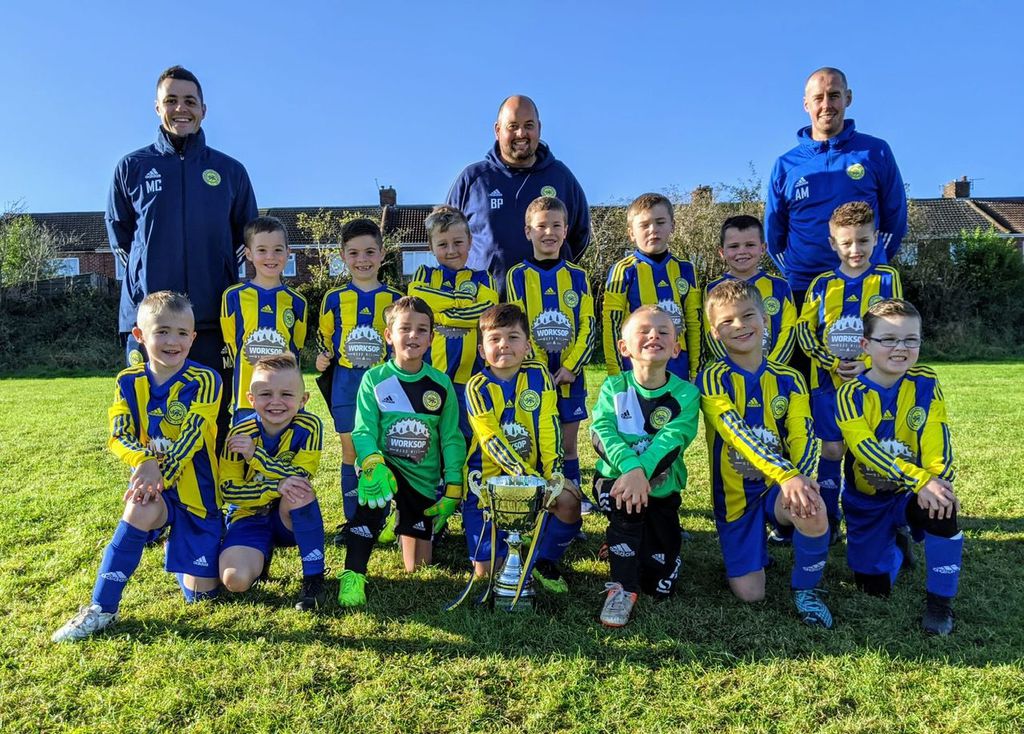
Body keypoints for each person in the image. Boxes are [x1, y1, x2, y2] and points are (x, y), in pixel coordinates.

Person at [52, 292, 222, 642]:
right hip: (154, 489)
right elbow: (119, 435)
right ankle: (102, 608)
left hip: (199, 496)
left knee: (202, 597)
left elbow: (191, 439)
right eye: (162, 331)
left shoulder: (206, 380)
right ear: (139, 335)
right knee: (138, 507)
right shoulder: (127, 381)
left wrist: (158, 473)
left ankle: (179, 546)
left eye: (182, 333)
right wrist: (144, 462)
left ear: (193, 337)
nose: (172, 341)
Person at [106, 65, 257, 443]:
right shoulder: (132, 168)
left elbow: (246, 240)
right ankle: (151, 483)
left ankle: (211, 484)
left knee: (213, 418)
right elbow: (122, 240)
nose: (180, 108)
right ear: (157, 107)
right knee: (146, 420)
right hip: (149, 324)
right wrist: (146, 290)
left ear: (203, 109)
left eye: (189, 101)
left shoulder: (230, 171)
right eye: (171, 100)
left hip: (212, 323)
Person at [699, 280, 833, 628]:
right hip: (734, 496)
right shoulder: (712, 376)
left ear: (765, 320)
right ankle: (753, 546)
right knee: (751, 594)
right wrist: (787, 474)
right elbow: (735, 431)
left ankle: (807, 590)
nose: (740, 326)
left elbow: (803, 434)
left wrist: (800, 478)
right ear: (714, 333)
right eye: (727, 321)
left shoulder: (790, 378)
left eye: (748, 316)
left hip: (779, 488)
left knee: (813, 508)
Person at [836, 299, 962, 635]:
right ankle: (897, 545)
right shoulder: (850, 394)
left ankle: (940, 604)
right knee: (873, 588)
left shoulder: (925, 380)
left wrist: (937, 479)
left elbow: (936, 433)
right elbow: (865, 450)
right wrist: (921, 480)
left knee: (943, 504)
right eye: (889, 339)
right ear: (865, 345)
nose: (900, 348)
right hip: (867, 501)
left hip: (910, 493)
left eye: (910, 339)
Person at [337, 297, 467, 607]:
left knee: (417, 567)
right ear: (388, 335)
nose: (413, 335)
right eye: (405, 328)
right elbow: (364, 431)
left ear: (431, 338)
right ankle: (353, 574)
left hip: (422, 478)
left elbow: (451, 437)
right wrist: (372, 464)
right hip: (385, 467)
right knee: (370, 502)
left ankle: (400, 521)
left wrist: (453, 485)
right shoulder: (375, 379)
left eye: (421, 330)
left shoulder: (441, 384)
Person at [590, 306, 700, 627]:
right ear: (624, 347)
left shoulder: (686, 394)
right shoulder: (614, 387)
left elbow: (672, 441)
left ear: (676, 348)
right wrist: (631, 470)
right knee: (627, 506)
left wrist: (641, 474)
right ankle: (622, 588)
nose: (654, 336)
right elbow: (601, 432)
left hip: (661, 489)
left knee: (660, 582)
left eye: (664, 332)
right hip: (617, 483)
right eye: (644, 331)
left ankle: (628, 546)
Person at [797, 201, 902, 537]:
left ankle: (870, 521)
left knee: (867, 450)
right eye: (846, 243)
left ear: (876, 239)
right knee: (831, 448)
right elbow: (803, 330)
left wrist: (867, 363)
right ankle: (828, 520)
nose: (855, 249)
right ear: (833, 243)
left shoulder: (887, 279)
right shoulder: (822, 284)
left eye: (863, 241)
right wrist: (831, 362)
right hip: (827, 384)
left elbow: (896, 328)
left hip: (873, 384)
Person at [463, 304, 581, 591]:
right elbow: (492, 442)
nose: (504, 345)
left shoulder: (539, 375)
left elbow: (550, 428)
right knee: (487, 572)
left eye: (513, 337)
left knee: (569, 500)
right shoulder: (476, 387)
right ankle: (510, 536)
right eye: (494, 339)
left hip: (536, 478)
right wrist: (531, 480)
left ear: (527, 346)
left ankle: (542, 560)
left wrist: (553, 477)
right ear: (482, 350)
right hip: (487, 487)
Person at [765, 66, 906, 302]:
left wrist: (873, 261)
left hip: (866, 282)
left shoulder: (876, 151)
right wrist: (793, 270)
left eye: (834, 95)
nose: (826, 105)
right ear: (806, 104)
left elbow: (895, 219)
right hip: (804, 287)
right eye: (818, 98)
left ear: (848, 98)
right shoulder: (785, 165)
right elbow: (774, 235)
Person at [445, 95, 590, 295]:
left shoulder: (561, 177)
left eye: (529, 125)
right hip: (485, 304)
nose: (521, 133)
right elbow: (445, 235)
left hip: (549, 301)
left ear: (539, 128)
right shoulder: (473, 179)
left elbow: (580, 236)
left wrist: (552, 272)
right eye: (512, 126)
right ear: (497, 130)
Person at [315, 219, 403, 533]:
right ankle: (354, 520)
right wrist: (323, 356)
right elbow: (325, 336)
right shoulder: (334, 298)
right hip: (346, 385)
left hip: (384, 386)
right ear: (342, 256)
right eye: (353, 253)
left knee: (383, 449)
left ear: (382, 254)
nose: (362, 259)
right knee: (351, 451)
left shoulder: (395, 299)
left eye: (369, 252)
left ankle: (383, 516)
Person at [218, 353, 326, 611]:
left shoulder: (310, 425)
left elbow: (299, 476)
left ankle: (314, 578)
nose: (276, 402)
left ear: (303, 400)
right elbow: (228, 491)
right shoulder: (239, 434)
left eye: (286, 394)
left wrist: (255, 455)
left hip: (286, 516)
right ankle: (258, 556)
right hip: (248, 516)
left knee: (299, 491)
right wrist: (273, 486)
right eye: (265, 394)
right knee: (235, 581)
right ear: (251, 399)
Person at [506, 196, 595, 498]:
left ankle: (573, 498)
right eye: (541, 226)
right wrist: (539, 368)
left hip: (571, 378)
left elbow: (588, 326)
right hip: (533, 376)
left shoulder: (578, 277)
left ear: (566, 230)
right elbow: (517, 327)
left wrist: (571, 366)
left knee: (568, 446)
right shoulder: (517, 275)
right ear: (528, 231)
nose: (549, 232)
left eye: (556, 225)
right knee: (535, 440)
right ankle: (536, 498)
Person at [407, 205, 498, 438]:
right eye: (442, 244)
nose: (451, 251)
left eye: (458, 242)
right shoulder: (424, 275)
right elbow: (417, 301)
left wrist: (439, 315)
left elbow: (485, 313)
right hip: (429, 375)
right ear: (431, 247)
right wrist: (464, 301)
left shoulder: (483, 278)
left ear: (469, 242)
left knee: (468, 436)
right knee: (431, 436)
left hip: (471, 378)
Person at [604, 193, 701, 382]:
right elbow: (611, 324)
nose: (653, 229)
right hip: (636, 371)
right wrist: (615, 374)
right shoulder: (623, 270)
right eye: (644, 225)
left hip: (678, 369)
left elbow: (694, 322)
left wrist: (696, 370)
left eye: (660, 222)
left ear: (672, 226)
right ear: (632, 233)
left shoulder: (686, 269)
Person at [221, 216, 308, 423]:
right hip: (247, 398)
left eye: (278, 250)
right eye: (262, 250)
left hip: (286, 401)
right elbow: (232, 345)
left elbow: (296, 347)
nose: (271, 256)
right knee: (245, 443)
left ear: (288, 252)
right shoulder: (233, 297)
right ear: (248, 254)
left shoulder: (298, 302)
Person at [704, 215, 796, 366]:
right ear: (722, 252)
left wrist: (771, 369)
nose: (742, 251)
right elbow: (712, 331)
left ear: (763, 248)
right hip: (731, 373)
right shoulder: (712, 289)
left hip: (774, 371)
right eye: (734, 246)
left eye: (750, 245)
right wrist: (735, 366)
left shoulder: (781, 286)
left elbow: (789, 331)